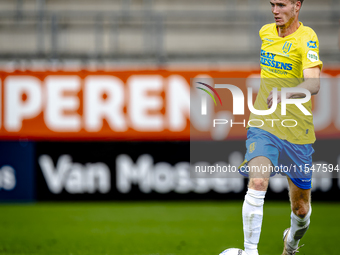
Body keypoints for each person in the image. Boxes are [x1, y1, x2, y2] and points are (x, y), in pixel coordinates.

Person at [238, 0, 323, 255]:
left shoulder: (307, 38)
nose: (275, 11)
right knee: (259, 182)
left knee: (301, 210)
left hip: (297, 131)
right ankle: (250, 251)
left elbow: (314, 85)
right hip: (264, 123)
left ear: (297, 6)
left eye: (282, 5)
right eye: (272, 4)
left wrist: (287, 92)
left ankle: (292, 242)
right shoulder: (265, 32)